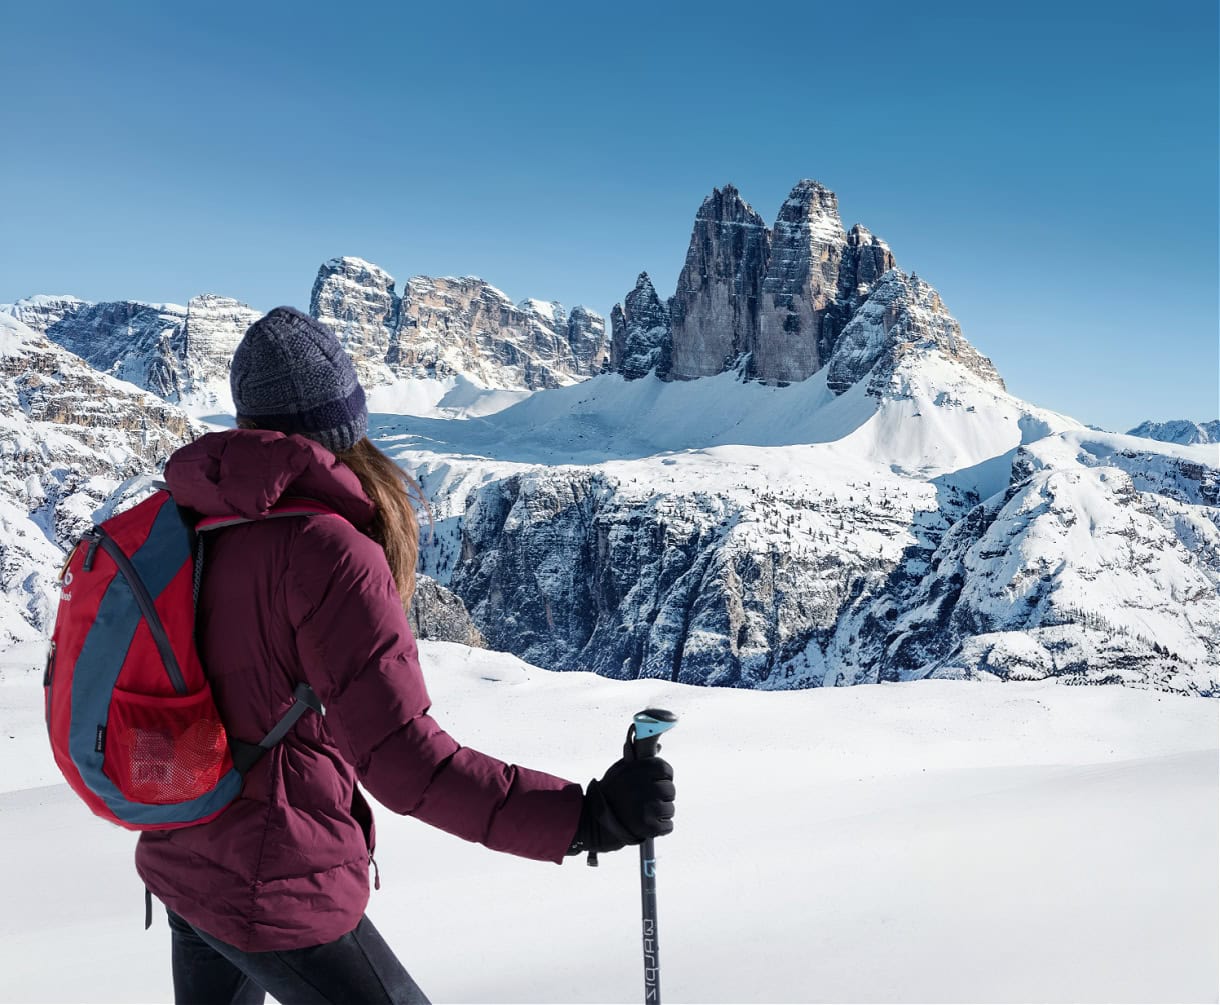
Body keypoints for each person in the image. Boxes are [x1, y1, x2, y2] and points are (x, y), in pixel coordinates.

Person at [135, 306, 676, 1005]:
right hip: (275, 889)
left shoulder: (188, 519)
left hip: (184, 858)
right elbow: (406, 762)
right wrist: (585, 817)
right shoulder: (328, 552)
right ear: (342, 425)